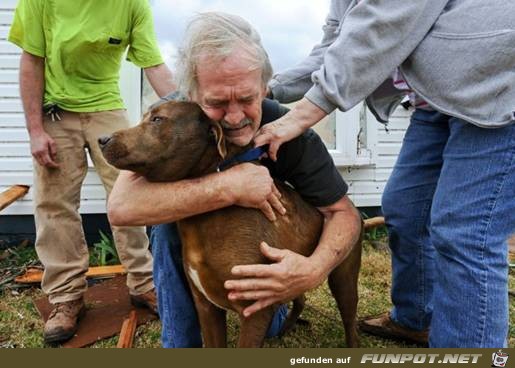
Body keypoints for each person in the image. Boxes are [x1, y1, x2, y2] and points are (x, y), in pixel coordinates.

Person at [255, 0, 515, 348]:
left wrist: (302, 113)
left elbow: (387, 20)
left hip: (497, 88)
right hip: (439, 102)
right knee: (406, 208)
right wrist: (267, 90)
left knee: (466, 232)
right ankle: (415, 318)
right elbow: (338, 46)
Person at [107, 12, 362, 347]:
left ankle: (277, 308)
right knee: (167, 226)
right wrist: (229, 187)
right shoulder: (172, 118)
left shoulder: (291, 132)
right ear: (192, 94)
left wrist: (312, 270)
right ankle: (182, 341)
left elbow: (344, 214)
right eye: (216, 102)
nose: (235, 116)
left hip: (258, 246)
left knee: (261, 322)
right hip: (197, 240)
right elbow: (122, 208)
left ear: (264, 88)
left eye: (246, 98)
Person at [8, 0, 175, 344]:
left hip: (106, 104)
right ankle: (67, 297)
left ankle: (144, 283)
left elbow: (153, 65)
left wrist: (188, 106)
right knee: (55, 205)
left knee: (130, 194)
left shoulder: (132, 4)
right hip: (56, 109)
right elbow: (31, 62)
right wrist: (35, 131)